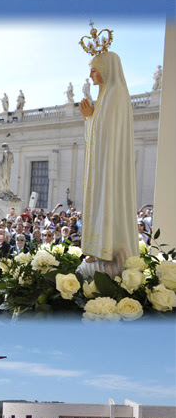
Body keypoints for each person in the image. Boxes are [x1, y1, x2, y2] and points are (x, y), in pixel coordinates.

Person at [78, 50, 139, 277]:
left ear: (107, 69)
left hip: (109, 165)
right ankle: (97, 248)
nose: (91, 74)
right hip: (102, 163)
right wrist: (90, 118)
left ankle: (107, 249)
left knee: (107, 198)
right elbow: (97, 132)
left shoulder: (115, 93)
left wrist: (90, 118)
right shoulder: (105, 95)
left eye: (94, 69)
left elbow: (106, 133)